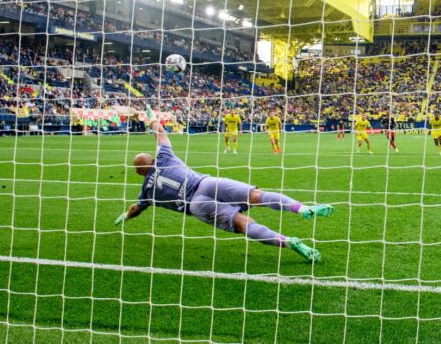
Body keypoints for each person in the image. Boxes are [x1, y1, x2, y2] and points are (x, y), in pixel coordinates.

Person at [115, 107, 333, 263]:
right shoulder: (163, 157)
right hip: (207, 183)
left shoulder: (147, 190)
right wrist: (152, 119)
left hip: (196, 205)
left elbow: (136, 209)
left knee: (244, 223)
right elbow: (161, 135)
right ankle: (302, 208)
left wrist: (125, 216)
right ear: (151, 161)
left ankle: (288, 242)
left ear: (139, 172)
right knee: (257, 195)